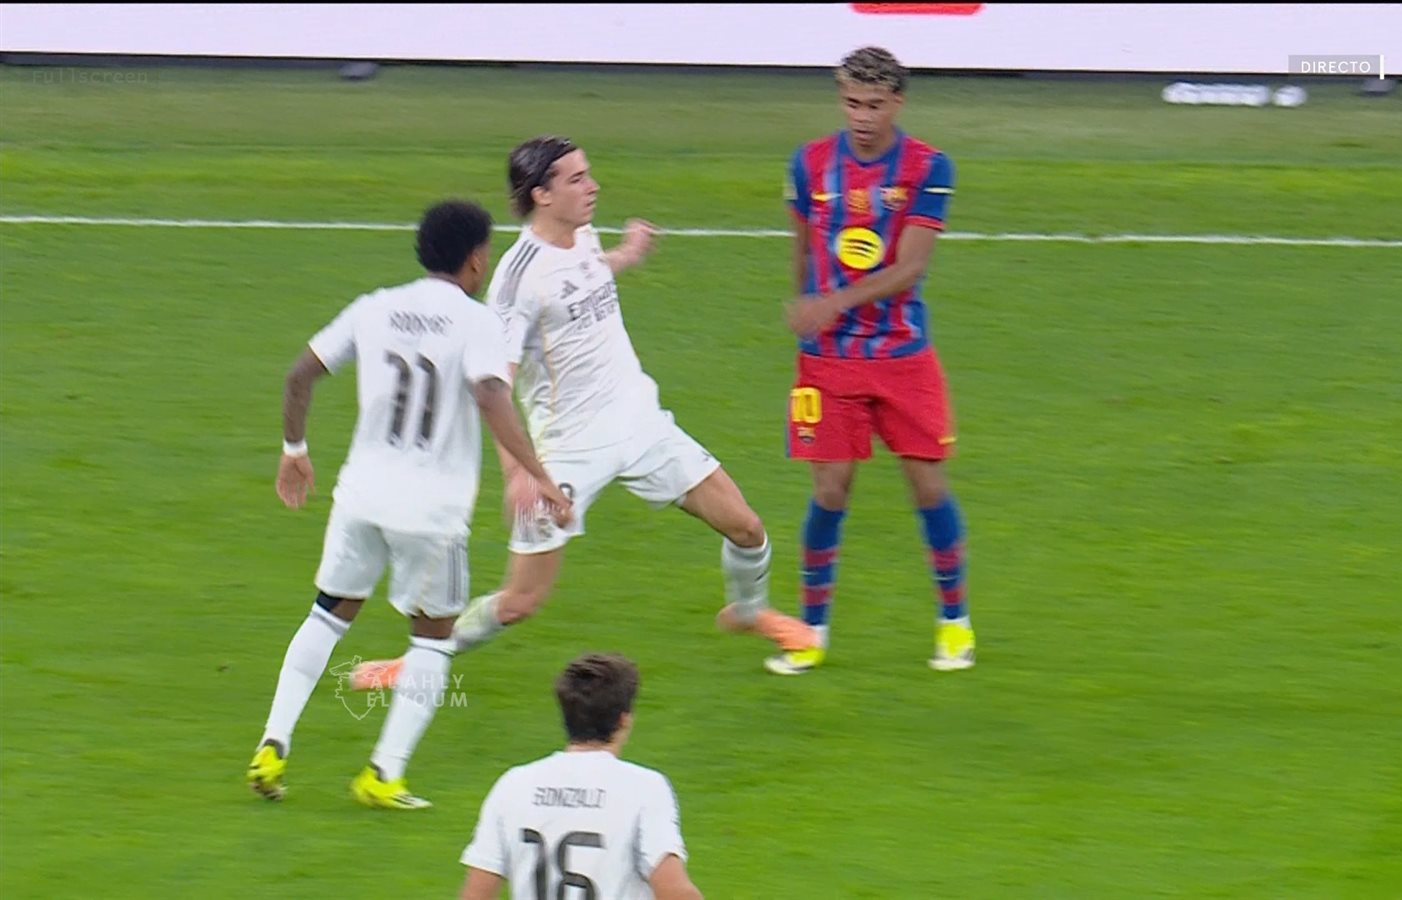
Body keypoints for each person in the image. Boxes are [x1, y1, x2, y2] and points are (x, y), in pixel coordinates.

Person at [349, 136, 815, 693]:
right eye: (577, 179)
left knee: (747, 528)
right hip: (568, 450)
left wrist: (627, 255)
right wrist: (519, 474)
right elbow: (494, 384)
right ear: (541, 195)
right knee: (521, 600)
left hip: (641, 424)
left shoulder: (582, 233)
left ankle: (748, 611)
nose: (593, 187)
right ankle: (416, 662)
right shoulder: (517, 277)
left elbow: (586, 273)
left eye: (588, 174)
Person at [246, 199, 573, 810]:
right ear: (476, 259)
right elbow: (491, 397)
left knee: (327, 615)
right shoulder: (476, 322)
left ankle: (272, 744)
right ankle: (383, 774)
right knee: (432, 640)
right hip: (431, 513)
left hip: (361, 496)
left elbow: (298, 375)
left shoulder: (374, 307)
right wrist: (540, 477)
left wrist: (294, 450)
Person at [768, 46, 975, 675]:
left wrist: (831, 302)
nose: (862, 116)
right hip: (827, 361)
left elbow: (911, 266)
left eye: (875, 105)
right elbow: (803, 246)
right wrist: (807, 310)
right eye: (852, 103)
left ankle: (955, 624)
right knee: (829, 491)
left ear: (898, 103)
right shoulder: (808, 163)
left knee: (928, 485)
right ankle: (811, 632)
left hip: (902, 355)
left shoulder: (928, 167)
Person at [458, 653, 703, 900]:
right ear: (624, 720)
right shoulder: (644, 788)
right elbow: (675, 891)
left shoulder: (514, 784)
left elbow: (475, 895)